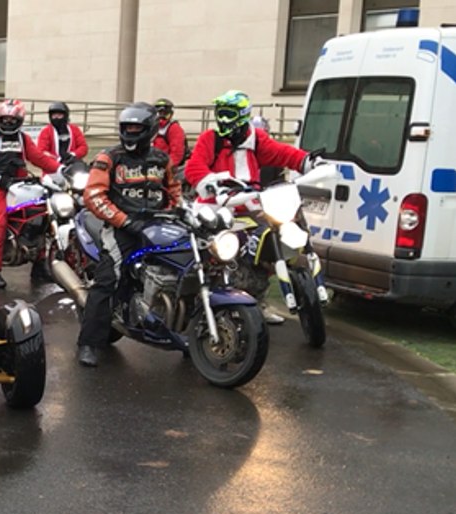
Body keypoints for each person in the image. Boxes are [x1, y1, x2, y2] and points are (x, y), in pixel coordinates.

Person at [184, 90, 314, 324]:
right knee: (217, 253)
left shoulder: (257, 140)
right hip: (216, 206)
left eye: (228, 113)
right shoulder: (210, 139)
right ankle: (207, 301)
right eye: (220, 113)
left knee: (271, 241)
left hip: (249, 204)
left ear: (242, 115)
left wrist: (307, 161)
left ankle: (259, 302)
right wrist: (211, 184)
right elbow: (194, 167)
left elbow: (281, 152)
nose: (223, 119)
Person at [74, 103, 181, 367]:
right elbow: (93, 195)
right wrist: (124, 221)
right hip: (120, 227)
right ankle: (89, 342)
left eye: (137, 128)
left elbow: (174, 190)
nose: (131, 133)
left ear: (151, 130)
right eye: (127, 128)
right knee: (108, 278)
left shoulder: (161, 159)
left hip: (157, 225)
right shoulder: (109, 158)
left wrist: (178, 210)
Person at [0, 99, 61, 288]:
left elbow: (38, 158)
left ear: (20, 120)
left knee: (40, 217)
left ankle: (40, 266)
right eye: (5, 119)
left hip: (18, 186)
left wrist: (62, 169)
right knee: (0, 221)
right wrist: (0, 181)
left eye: (12, 119)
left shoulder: (23, 139)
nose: (8, 123)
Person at [151, 98, 187, 168]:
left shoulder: (174, 128)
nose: (161, 116)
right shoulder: (150, 127)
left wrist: (166, 168)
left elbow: (177, 154)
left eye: (164, 113)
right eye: (159, 113)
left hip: (167, 167)